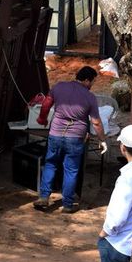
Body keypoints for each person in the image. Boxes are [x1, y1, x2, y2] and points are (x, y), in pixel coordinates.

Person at [35, 66, 107, 213]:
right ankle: (67, 204)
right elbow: (96, 122)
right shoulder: (89, 97)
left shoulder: (59, 86)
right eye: (92, 82)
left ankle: (44, 197)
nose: (91, 85)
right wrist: (102, 139)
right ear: (86, 80)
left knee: (50, 164)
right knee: (71, 170)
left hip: (55, 134)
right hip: (75, 138)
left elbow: (46, 104)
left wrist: (42, 119)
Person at [98, 124, 132, 262]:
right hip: (129, 245)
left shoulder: (128, 177)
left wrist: (104, 233)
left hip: (120, 244)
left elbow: (117, 217)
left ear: (122, 147)